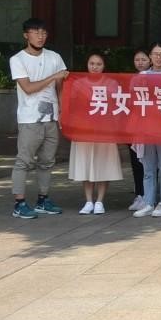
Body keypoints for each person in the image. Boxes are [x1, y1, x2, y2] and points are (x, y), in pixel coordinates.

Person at [8, 18, 68, 219]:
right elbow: (28, 88)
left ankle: (43, 199)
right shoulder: (18, 59)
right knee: (24, 161)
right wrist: (53, 77)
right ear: (26, 35)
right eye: (36, 32)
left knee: (47, 161)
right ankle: (19, 203)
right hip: (30, 119)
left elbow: (61, 87)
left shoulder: (54, 57)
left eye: (43, 32)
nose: (40, 36)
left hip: (51, 118)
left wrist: (62, 110)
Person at [70, 51, 123, 215]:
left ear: (104, 66)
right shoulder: (78, 84)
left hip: (105, 130)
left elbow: (117, 107)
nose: (95, 67)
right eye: (92, 63)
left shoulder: (112, 84)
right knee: (86, 165)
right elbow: (73, 106)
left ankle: (100, 200)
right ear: (87, 65)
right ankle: (88, 201)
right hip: (84, 130)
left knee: (103, 165)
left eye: (98, 64)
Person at [133, 41, 161, 218]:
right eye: (155, 54)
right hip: (146, 129)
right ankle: (148, 202)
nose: (158, 57)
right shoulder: (141, 76)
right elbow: (133, 100)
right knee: (148, 169)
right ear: (150, 56)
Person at [126, 47, 149, 211]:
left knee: (151, 163)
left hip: (151, 126)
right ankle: (139, 194)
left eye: (143, 59)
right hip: (135, 125)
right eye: (137, 60)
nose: (140, 63)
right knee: (136, 161)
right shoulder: (131, 79)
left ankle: (150, 195)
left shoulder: (157, 77)